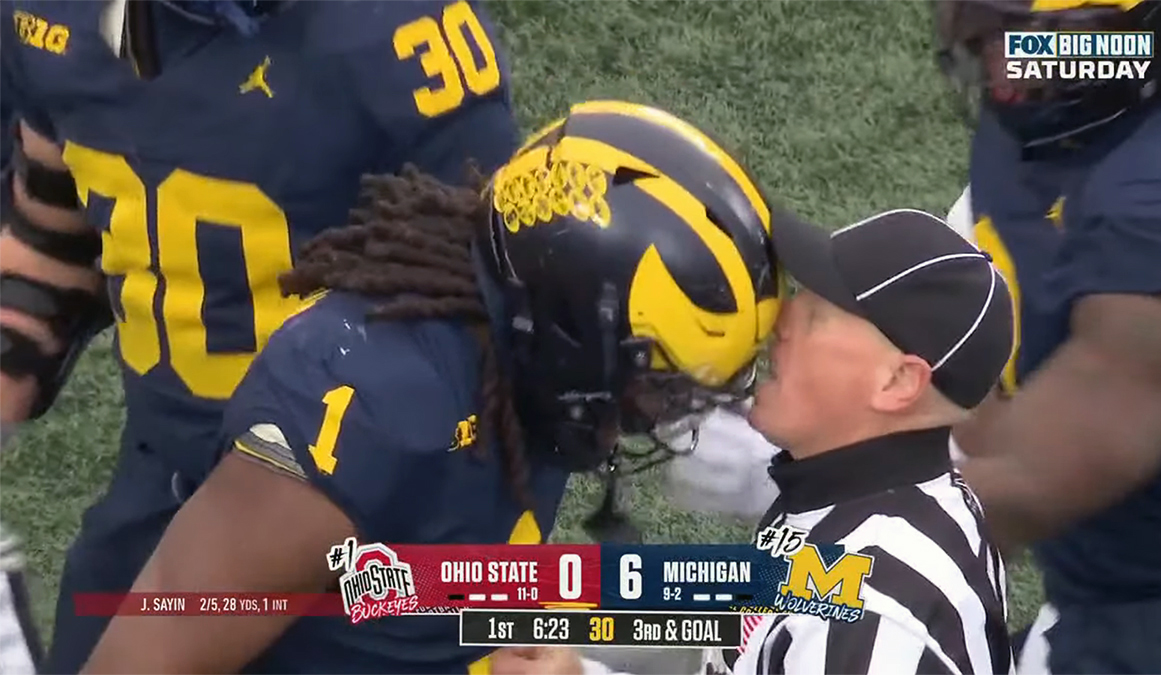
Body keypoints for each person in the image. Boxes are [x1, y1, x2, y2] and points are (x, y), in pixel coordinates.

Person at [81, 100, 782, 673]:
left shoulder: (517, 366)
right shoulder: (366, 413)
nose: (658, 413)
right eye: (655, 381)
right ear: (570, 327)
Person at [0, 0, 519, 671]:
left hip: (359, 515)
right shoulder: (52, 20)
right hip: (167, 480)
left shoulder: (399, 41)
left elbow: (494, 339)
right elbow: (49, 232)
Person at [511, 208, 1017, 675]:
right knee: (481, 588)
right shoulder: (868, 496)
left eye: (817, 314)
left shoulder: (873, 630)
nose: (782, 320)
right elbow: (745, 612)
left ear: (897, 384)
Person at [934, 0, 1161, 672]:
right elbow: (997, 414)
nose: (1000, 61)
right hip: (1106, 564)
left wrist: (772, 535)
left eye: (1035, 42)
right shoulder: (1055, 112)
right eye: (987, 30)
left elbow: (1027, 487)